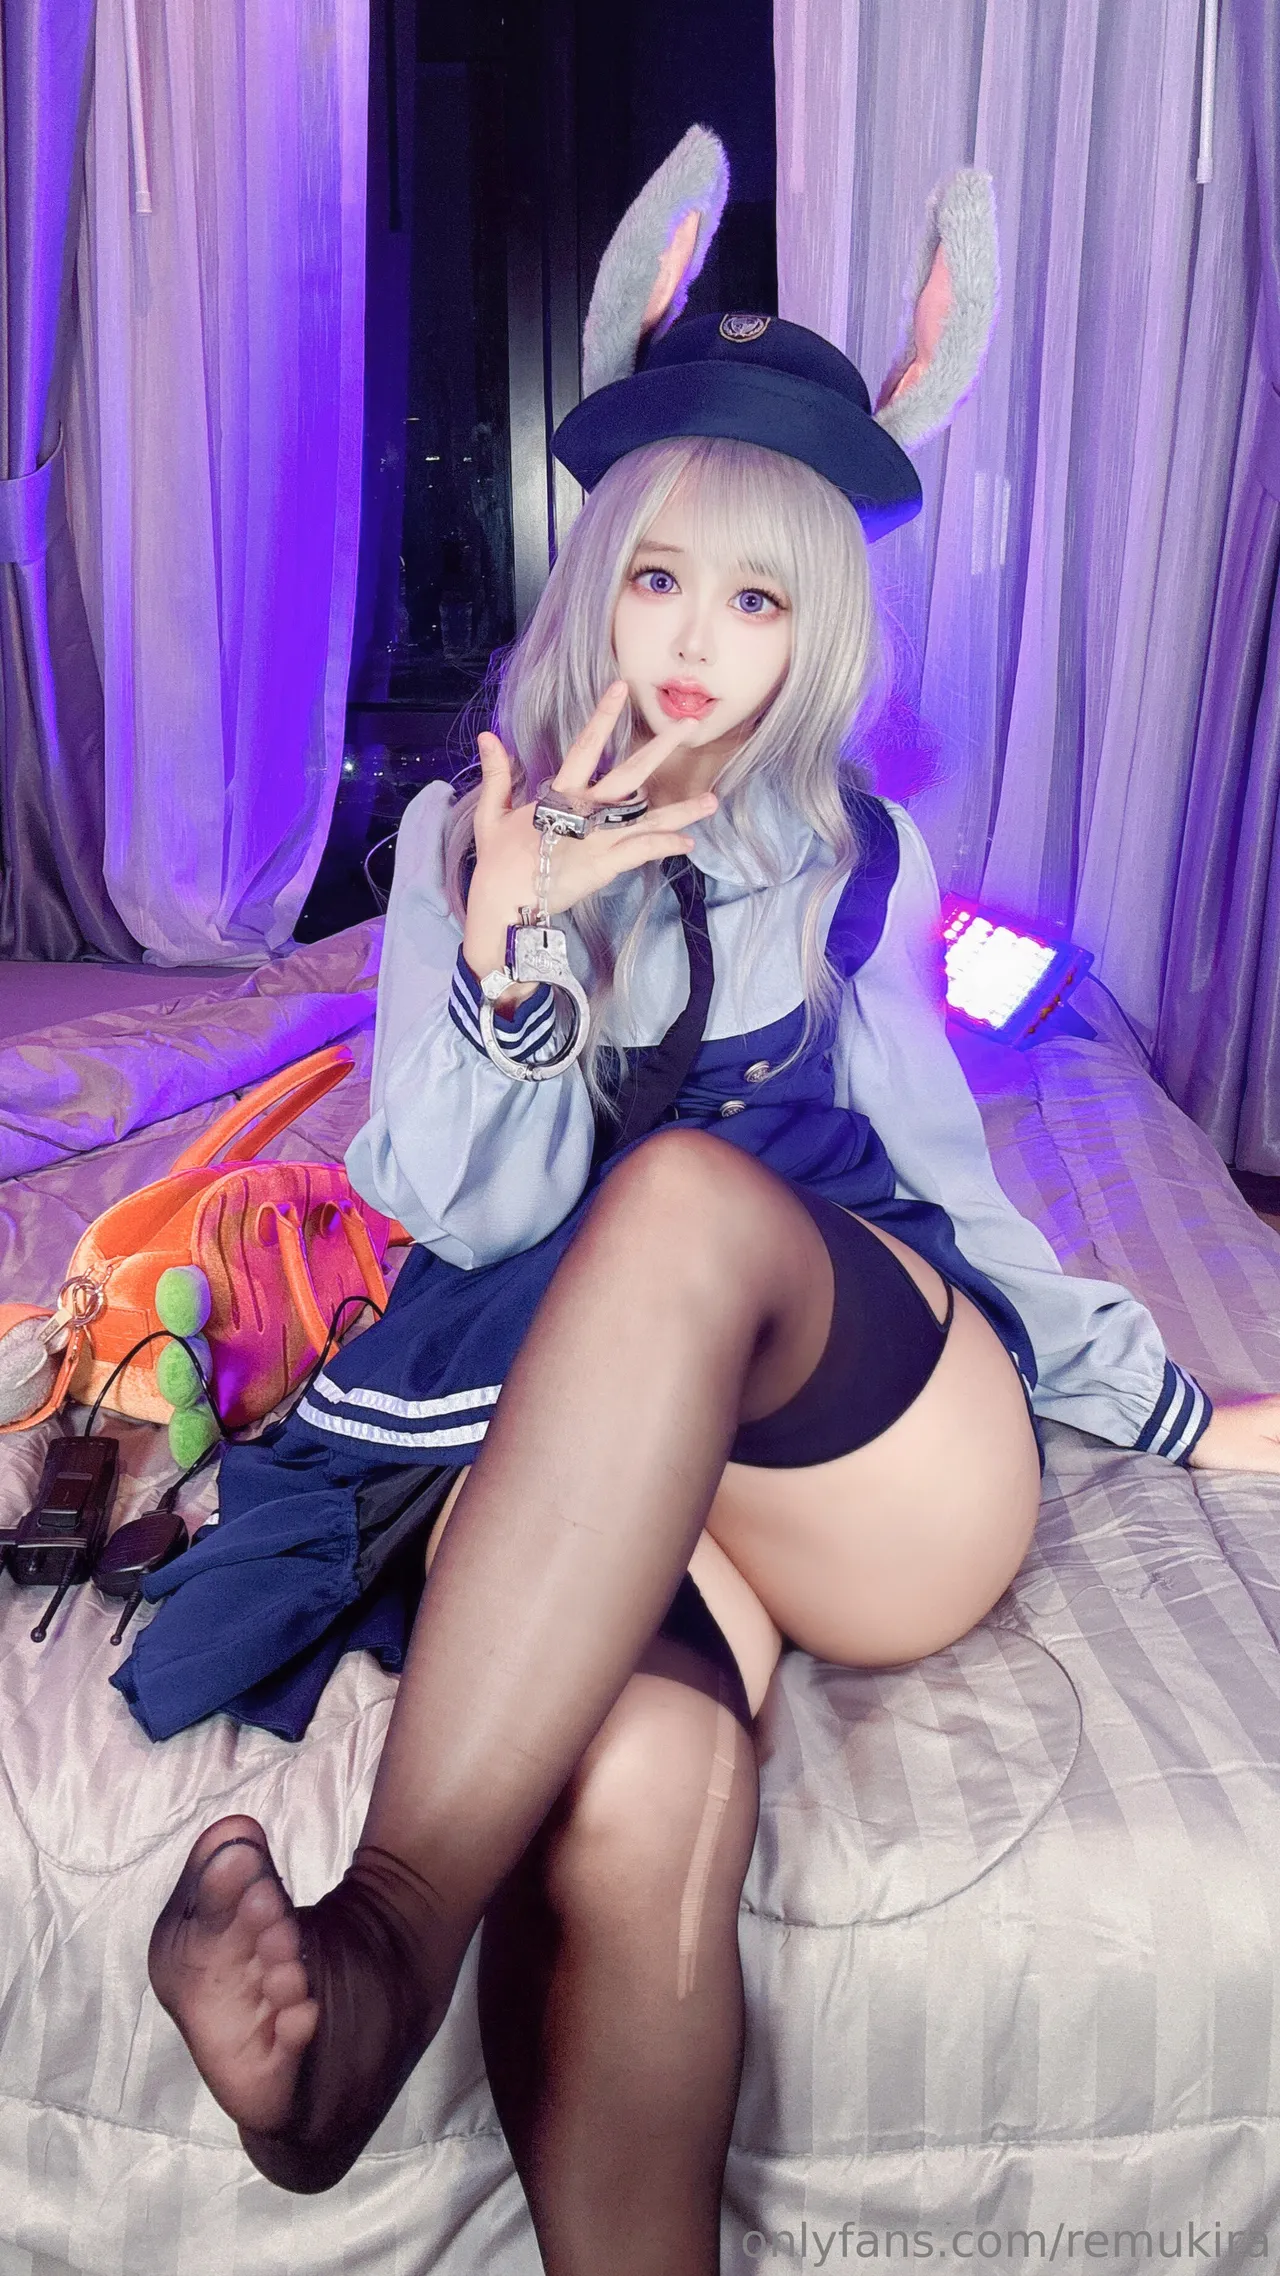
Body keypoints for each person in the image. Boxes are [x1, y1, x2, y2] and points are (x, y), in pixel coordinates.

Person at [145, 131, 1280, 2270]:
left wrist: (1168, 1409)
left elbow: (958, 1187)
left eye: (757, 599)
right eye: (659, 575)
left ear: (815, 628)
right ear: (597, 573)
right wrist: (510, 955)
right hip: (627, 1465)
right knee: (631, 1790)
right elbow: (459, 1215)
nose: (694, 642)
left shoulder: (857, 861)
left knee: (672, 1196)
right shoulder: (468, 846)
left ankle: (378, 1943)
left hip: (880, 1456)